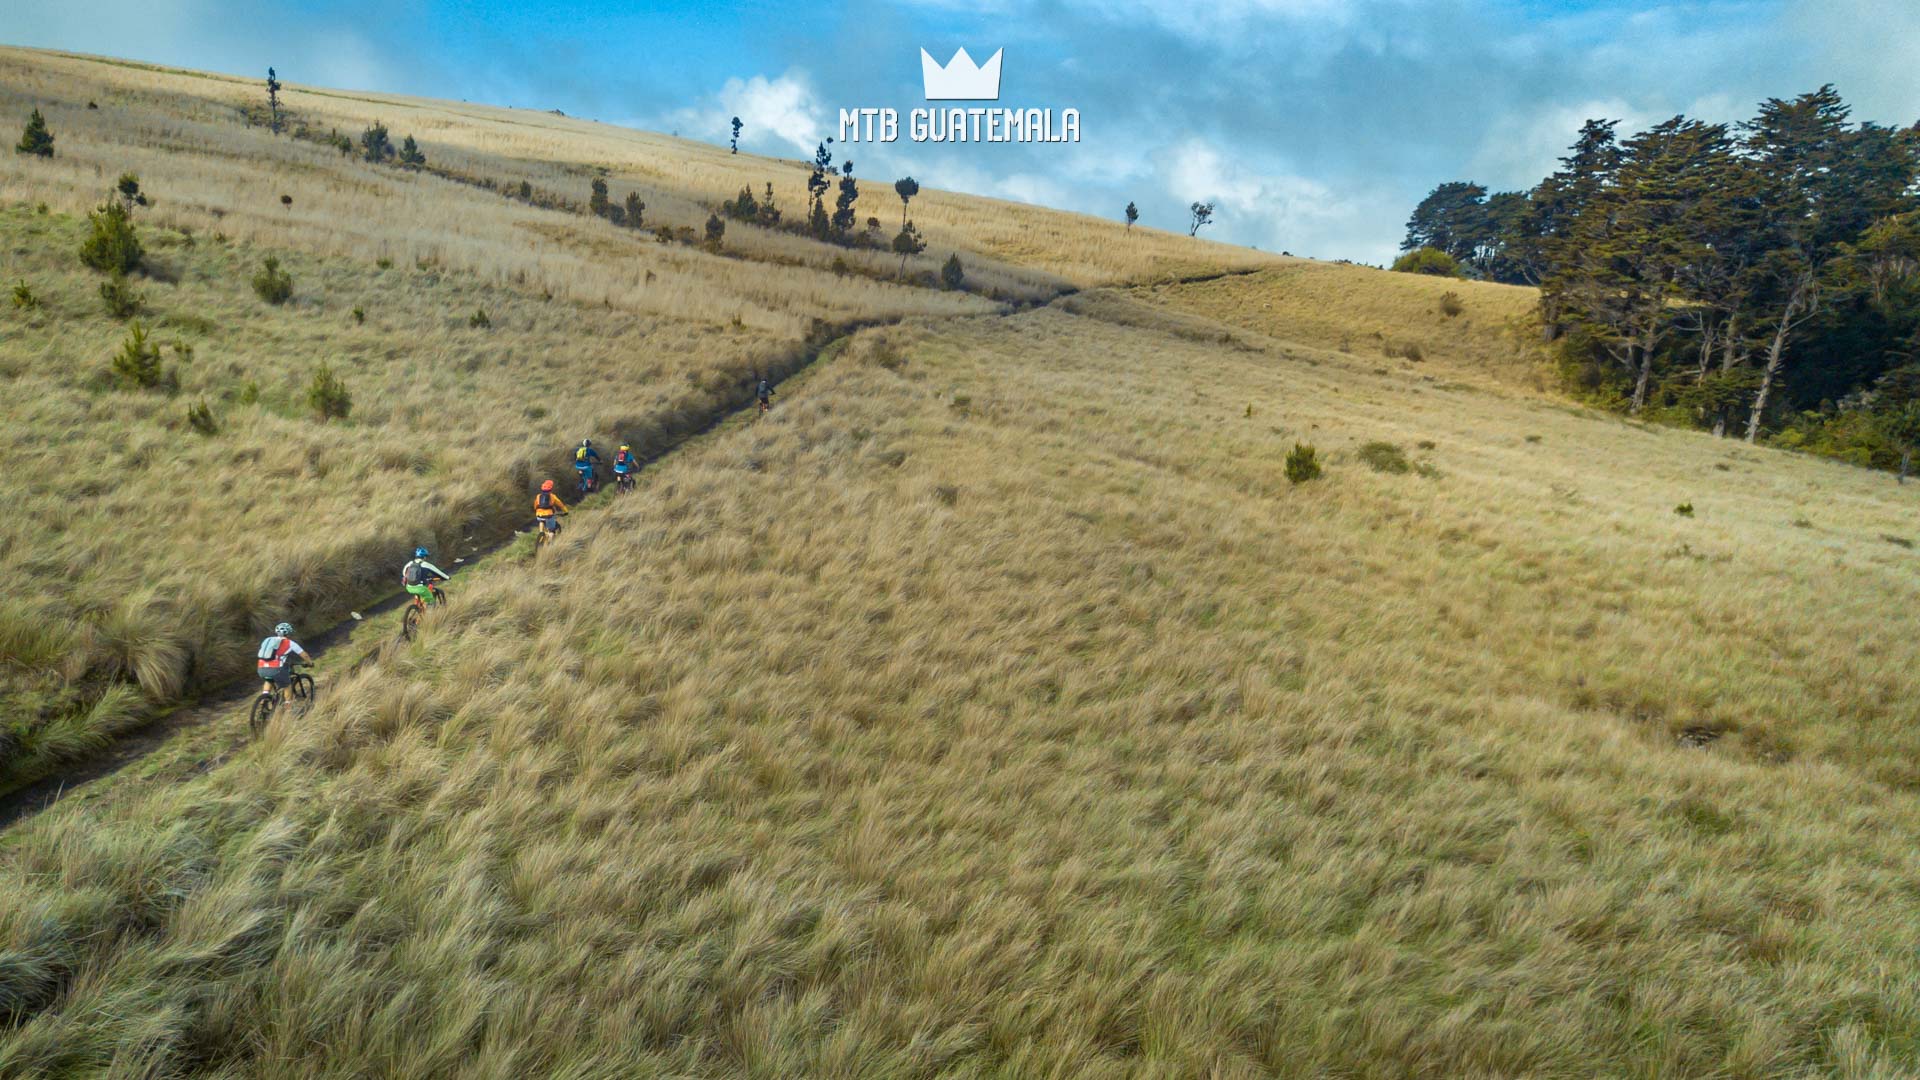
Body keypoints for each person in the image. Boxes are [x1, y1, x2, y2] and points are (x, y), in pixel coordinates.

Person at [256, 621, 310, 695]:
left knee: (269, 680)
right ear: (288, 633)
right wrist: (310, 663)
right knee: (287, 686)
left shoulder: (268, 640)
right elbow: (305, 655)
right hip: (276, 669)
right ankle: (288, 702)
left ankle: (264, 698)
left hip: (261, 668)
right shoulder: (290, 643)